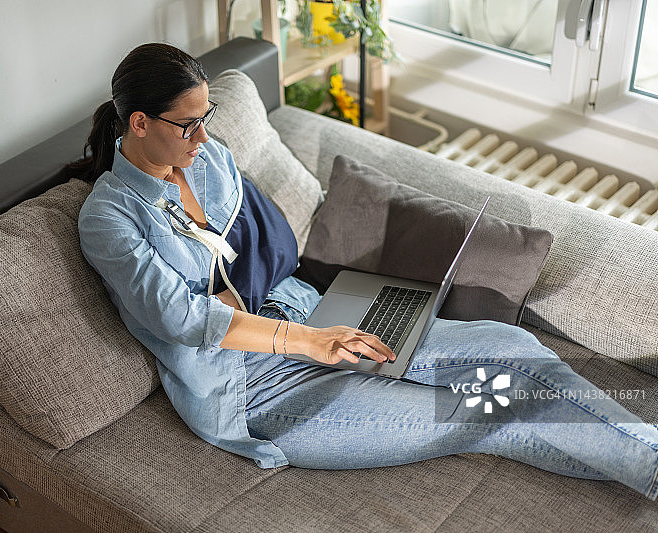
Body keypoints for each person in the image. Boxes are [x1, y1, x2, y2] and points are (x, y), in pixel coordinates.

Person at [72, 42, 658, 500]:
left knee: (506, 345)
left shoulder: (212, 158)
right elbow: (181, 317)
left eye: (208, 117)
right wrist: (311, 343)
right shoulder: (109, 217)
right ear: (140, 123)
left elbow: (255, 253)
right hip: (252, 387)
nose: (203, 136)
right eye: (187, 125)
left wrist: (316, 324)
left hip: (309, 310)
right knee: (484, 411)